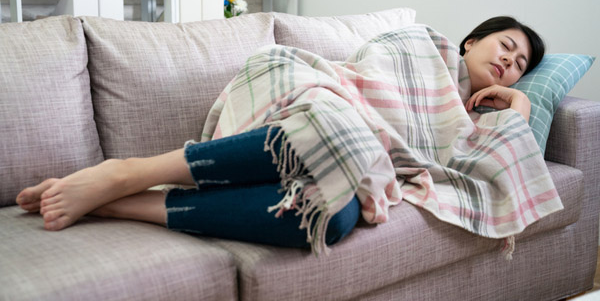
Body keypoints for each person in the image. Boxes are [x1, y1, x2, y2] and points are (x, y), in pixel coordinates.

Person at [15, 16, 545, 250]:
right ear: (472, 41)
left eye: (519, 64)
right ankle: (129, 170)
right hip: (315, 93)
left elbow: (492, 165)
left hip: (362, 147)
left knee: (331, 219)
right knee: (331, 129)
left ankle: (122, 202)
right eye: (503, 45)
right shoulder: (422, 44)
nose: (508, 60)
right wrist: (363, 118)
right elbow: (372, 72)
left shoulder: (472, 121)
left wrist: (518, 106)